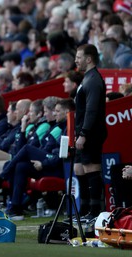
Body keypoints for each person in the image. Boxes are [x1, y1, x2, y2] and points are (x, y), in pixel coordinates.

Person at [74, 44, 107, 223]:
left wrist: (84, 133)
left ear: (88, 59)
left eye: (78, 57)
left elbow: (92, 110)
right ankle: (85, 210)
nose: (76, 60)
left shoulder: (94, 80)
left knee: (92, 169)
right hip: (82, 131)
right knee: (78, 168)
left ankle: (97, 212)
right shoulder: (86, 78)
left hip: (92, 133)